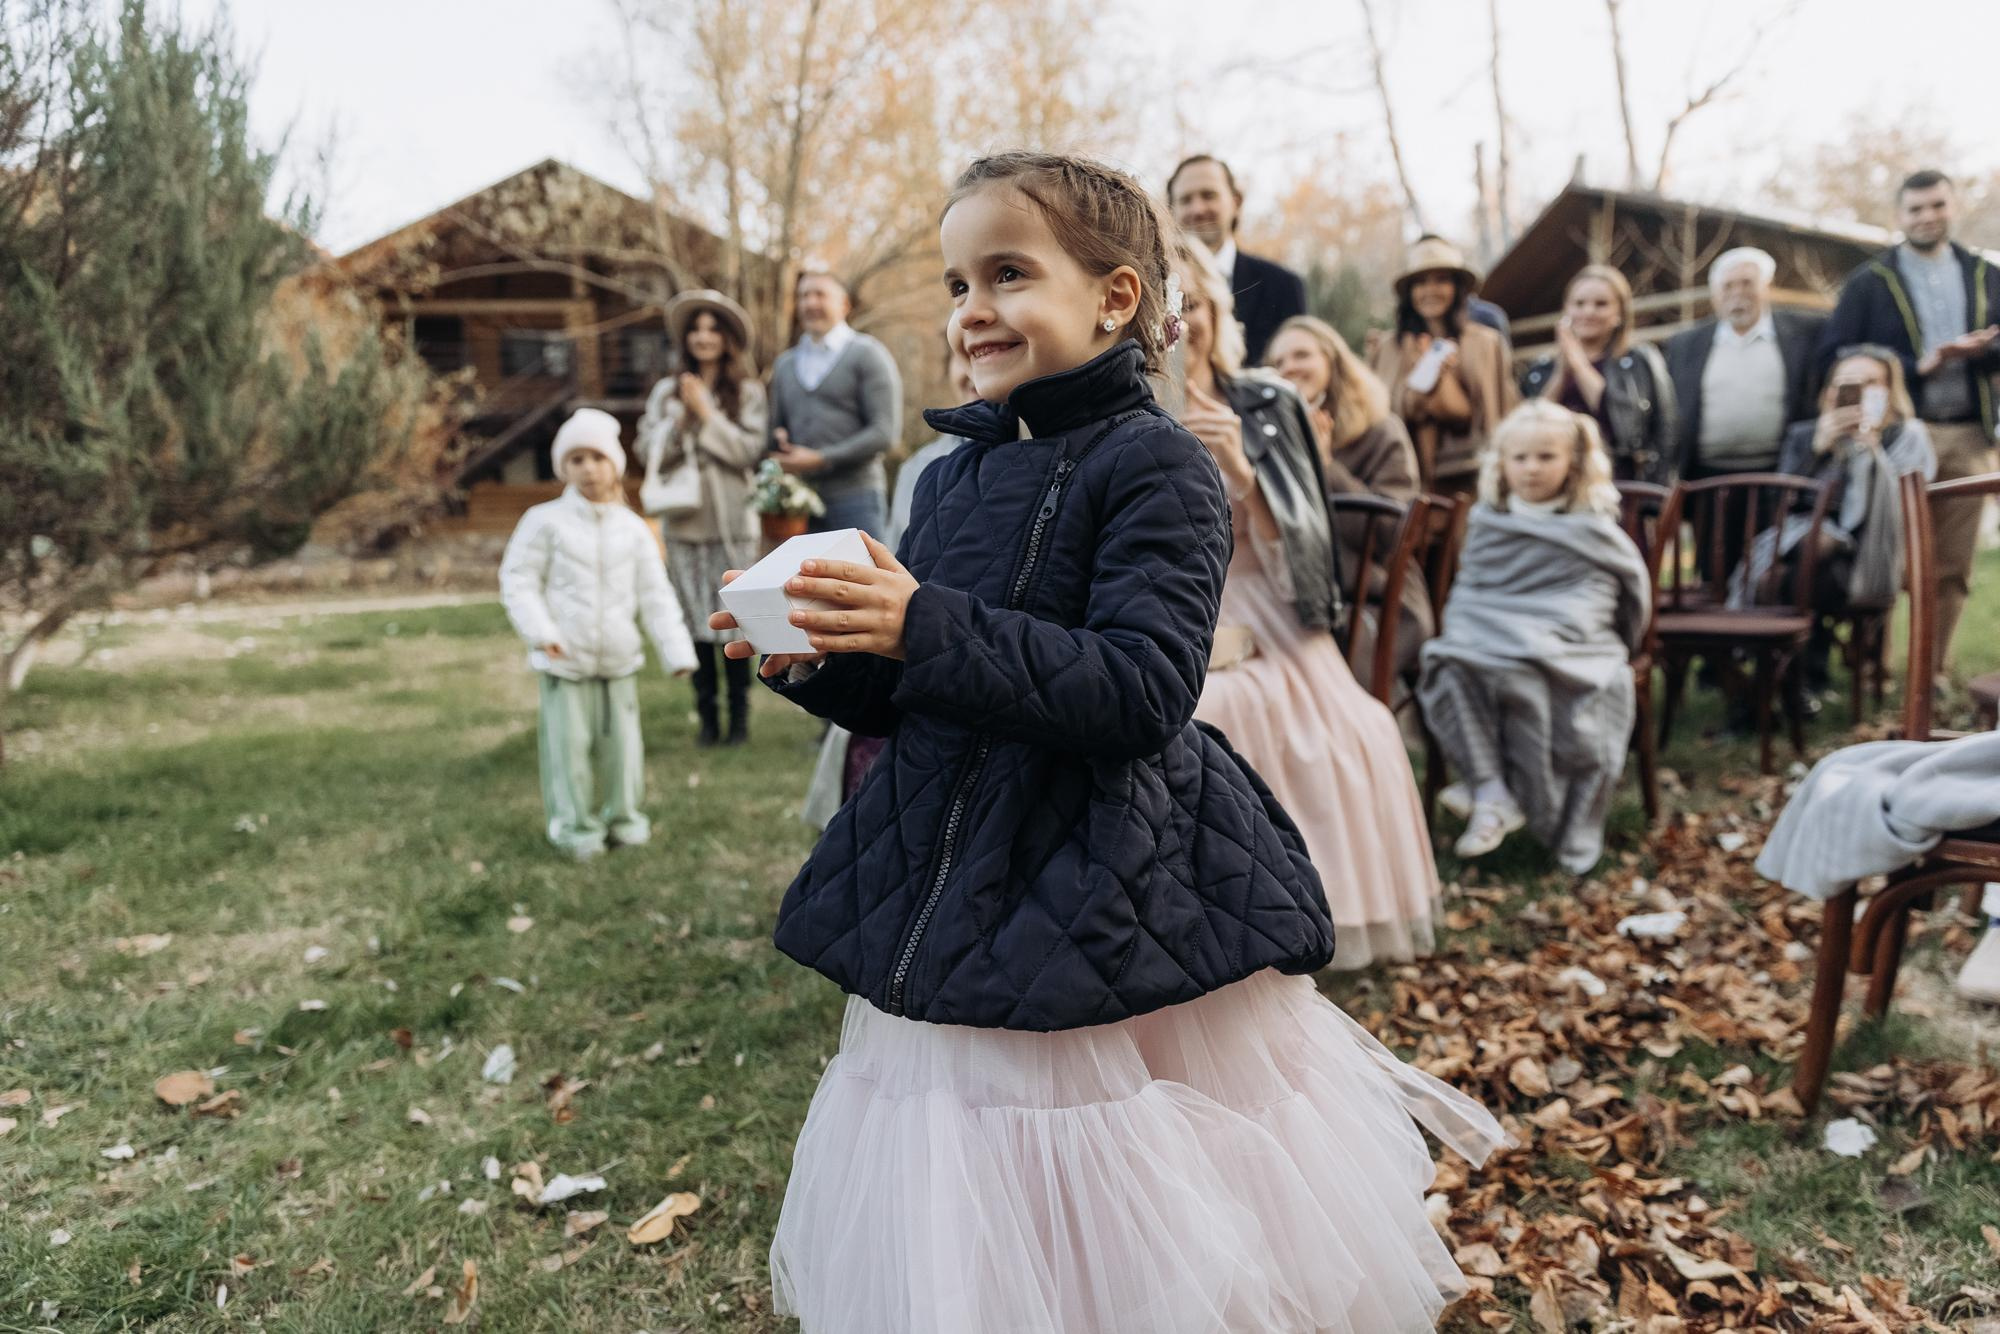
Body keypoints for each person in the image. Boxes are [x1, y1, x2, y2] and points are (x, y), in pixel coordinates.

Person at [721, 150, 1506, 1334]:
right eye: (954, 282)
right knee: (969, 1168)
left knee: (1110, 1151)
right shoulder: (949, 479)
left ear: (1114, 297)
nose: (970, 309)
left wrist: (921, 619)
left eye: (1004, 273)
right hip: (958, 858)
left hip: (1092, 868)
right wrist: (824, 664)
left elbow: (1141, 689)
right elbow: (920, 693)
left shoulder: (1163, 470)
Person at [1178, 244, 1444, 972]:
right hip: (1173, 603)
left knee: (1348, 727)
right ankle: (1207, 929)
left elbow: (1301, 546)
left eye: (1193, 305)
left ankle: (1315, 914)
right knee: (1207, 711)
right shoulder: (1124, 410)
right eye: (1163, 309)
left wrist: (1241, 471)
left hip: (1267, 597)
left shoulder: (1266, 401)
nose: (1180, 324)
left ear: (1216, 313)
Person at [1418, 401, 1651, 873]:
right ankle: (1492, 789)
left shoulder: (1592, 526)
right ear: (1501, 464)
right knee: (1445, 660)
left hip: (1570, 637)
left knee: (1522, 672)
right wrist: (1484, 629)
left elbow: (1623, 594)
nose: (1531, 469)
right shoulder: (1488, 522)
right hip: (1490, 631)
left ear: (1575, 463)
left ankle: (1521, 802)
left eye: (1546, 457)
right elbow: (1471, 593)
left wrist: (1584, 633)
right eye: (1519, 458)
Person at [1817, 169, 2000, 674]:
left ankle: (1931, 673)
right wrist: (1912, 367)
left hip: (1968, 431)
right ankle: (1874, 665)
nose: (1927, 217)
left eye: (1936, 206)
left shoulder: (1985, 274)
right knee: (1890, 551)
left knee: (1952, 564)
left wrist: (1980, 352)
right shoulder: (1870, 281)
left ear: (1952, 207)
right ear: (1899, 216)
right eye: (1915, 209)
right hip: (1898, 434)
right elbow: (1837, 351)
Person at [499, 409, 698, 860]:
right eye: (576, 459)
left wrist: (676, 650)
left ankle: (625, 820)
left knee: (624, 752)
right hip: (564, 659)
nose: (588, 468)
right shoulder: (544, 521)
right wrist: (540, 631)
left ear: (616, 464)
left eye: (597, 457)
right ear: (563, 468)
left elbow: (655, 594)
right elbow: (518, 580)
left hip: (617, 659)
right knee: (568, 752)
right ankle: (576, 828)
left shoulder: (633, 529)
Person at [800, 338, 977, 831]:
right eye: (958, 357)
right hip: (917, 641)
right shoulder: (926, 467)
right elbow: (903, 557)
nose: (970, 367)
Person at [1747, 346, 1937, 686]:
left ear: (1889, 390)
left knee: (1778, 576)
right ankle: (1796, 683)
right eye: (1846, 383)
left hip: (1870, 559)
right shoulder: (1805, 435)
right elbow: (1775, 506)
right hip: (1806, 556)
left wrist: (1870, 453)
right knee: (1800, 561)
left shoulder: (1907, 436)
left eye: (1869, 382)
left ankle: (1776, 685)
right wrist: (1816, 450)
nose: (1857, 391)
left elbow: (1901, 511)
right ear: (1829, 390)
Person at [1266, 313, 1434, 675]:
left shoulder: (1381, 430)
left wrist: (1326, 466)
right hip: (1291, 596)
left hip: (1372, 601)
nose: (1288, 368)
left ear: (1333, 361)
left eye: (1301, 356)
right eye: (1278, 362)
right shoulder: (1269, 440)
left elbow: (1390, 536)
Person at [638, 289, 764, 747]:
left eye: (713, 328)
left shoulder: (747, 393)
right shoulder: (664, 394)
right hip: (685, 527)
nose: (703, 336)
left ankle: (740, 719)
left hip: (732, 527)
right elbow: (645, 450)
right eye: (696, 328)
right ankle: (707, 718)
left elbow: (749, 451)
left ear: (727, 338)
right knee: (695, 620)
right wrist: (683, 421)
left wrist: (708, 414)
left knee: (733, 620)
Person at [1663, 247, 1825, 586]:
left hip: (1779, 475)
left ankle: (1769, 638)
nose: (1738, 294)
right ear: (1715, 295)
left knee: (1774, 572)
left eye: (1747, 284)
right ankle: (1718, 639)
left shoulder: (1805, 333)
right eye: (1729, 286)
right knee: (1715, 574)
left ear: (1766, 287)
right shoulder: (1685, 344)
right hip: (1708, 481)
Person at [1369, 235, 1518, 495]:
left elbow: (1499, 407)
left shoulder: (1485, 342)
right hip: (1407, 480)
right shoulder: (1389, 348)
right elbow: (1381, 414)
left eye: (1441, 280)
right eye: (1421, 283)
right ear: (1409, 293)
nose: (1430, 291)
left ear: (1457, 288)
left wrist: (1443, 378)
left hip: (1474, 478)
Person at [767, 270, 905, 537]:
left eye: (820, 294)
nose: (810, 303)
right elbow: (776, 427)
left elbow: (884, 434)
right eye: (803, 296)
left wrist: (819, 459)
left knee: (861, 578)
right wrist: (778, 439)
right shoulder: (784, 365)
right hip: (798, 505)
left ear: (844, 304)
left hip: (857, 499)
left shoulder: (868, 355)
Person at [1521, 265, 1677, 485]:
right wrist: (1561, 373)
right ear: (1566, 309)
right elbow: (1531, 426)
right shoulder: (1542, 368)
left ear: (1620, 313)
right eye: (1579, 304)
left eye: (1601, 304)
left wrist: (1579, 363)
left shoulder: (1638, 360)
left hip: (1617, 480)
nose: (1588, 312)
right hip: (1556, 480)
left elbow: (1621, 423)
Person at [1166, 153, 1307, 364]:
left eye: (1208, 195)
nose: (1197, 209)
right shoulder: (1152, 286)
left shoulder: (1283, 286)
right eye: (1185, 200)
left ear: (1236, 202)